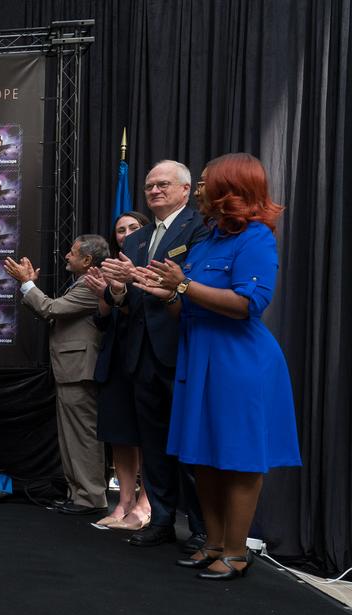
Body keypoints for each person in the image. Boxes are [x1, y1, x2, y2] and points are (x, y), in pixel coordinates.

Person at [131, 153, 300, 579]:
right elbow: (185, 306)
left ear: (230, 187)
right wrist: (166, 293)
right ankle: (214, 543)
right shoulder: (207, 241)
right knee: (201, 456)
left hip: (238, 361)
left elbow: (248, 304)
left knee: (239, 457)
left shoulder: (256, 238)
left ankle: (237, 552)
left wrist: (184, 285)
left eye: (205, 182)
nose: (199, 190)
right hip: (198, 355)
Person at [100, 160, 208, 551]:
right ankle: (160, 520)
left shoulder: (200, 228)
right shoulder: (136, 239)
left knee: (191, 446)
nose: (154, 191)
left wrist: (159, 283)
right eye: (149, 186)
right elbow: (128, 301)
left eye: (163, 184)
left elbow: (197, 285)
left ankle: (202, 529)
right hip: (140, 353)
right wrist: (116, 290)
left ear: (185, 190)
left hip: (183, 350)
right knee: (154, 444)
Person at [4, 235, 109, 515]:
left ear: (87, 260)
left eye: (72, 252)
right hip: (70, 370)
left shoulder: (91, 283)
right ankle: (78, 495)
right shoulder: (82, 281)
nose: (66, 256)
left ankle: (90, 498)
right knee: (71, 437)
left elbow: (51, 309)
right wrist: (29, 287)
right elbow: (52, 313)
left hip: (79, 370)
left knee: (82, 437)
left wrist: (26, 284)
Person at [83, 211, 153, 530]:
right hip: (116, 357)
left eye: (133, 227)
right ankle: (123, 502)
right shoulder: (110, 269)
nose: (126, 233)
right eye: (121, 230)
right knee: (120, 434)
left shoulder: (154, 264)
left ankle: (146, 503)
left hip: (147, 356)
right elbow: (102, 321)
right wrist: (104, 296)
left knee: (148, 435)